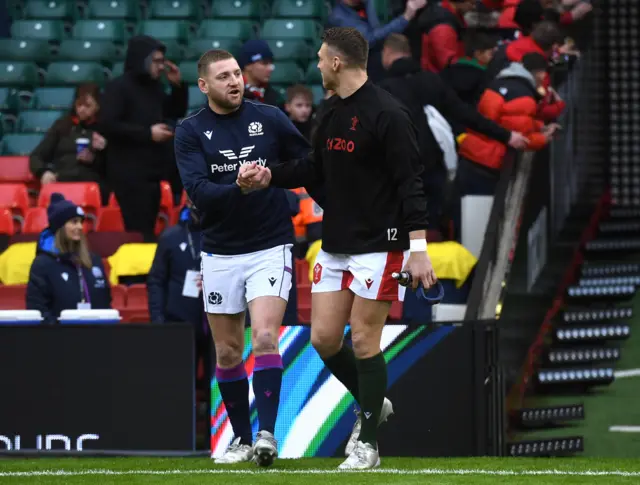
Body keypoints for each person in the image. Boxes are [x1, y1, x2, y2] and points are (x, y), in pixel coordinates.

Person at [237, 27, 437, 470]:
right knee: (325, 340)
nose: (317, 65)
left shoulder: (389, 113)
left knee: (365, 341)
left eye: (321, 58)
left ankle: (368, 444)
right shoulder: (329, 112)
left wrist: (418, 248)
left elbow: (411, 183)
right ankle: (374, 403)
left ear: (336, 63)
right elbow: (313, 168)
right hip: (338, 242)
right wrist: (270, 175)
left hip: (380, 245)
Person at [173, 49, 311, 466]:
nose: (234, 81)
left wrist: (276, 180)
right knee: (229, 351)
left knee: (266, 337)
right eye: (223, 77)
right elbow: (199, 193)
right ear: (204, 85)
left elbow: (307, 161)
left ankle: (267, 435)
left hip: (270, 245)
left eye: (236, 73)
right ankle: (241, 438)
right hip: (219, 251)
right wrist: (240, 186)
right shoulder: (190, 131)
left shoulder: (268, 117)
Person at [378, 33, 528, 229]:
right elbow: (466, 114)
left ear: (387, 52)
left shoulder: (381, 91)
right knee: (431, 225)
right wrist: (507, 135)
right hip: (434, 165)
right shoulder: (432, 81)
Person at [98, 35, 188, 240]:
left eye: (162, 61)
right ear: (142, 60)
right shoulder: (118, 87)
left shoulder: (154, 88)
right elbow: (108, 124)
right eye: (156, 61)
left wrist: (177, 86)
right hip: (128, 173)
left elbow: (174, 112)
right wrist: (148, 133)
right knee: (137, 232)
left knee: (148, 229)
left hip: (152, 172)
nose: (161, 66)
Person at [456, 53, 560, 198]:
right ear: (541, 74)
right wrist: (544, 138)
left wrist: (540, 127)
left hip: (471, 155)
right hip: (490, 164)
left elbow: (504, 121)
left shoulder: (498, 83)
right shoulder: (524, 97)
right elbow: (520, 139)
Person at [147, 200, 209, 385]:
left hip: (217, 326)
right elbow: (156, 280)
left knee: (218, 385)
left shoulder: (222, 235)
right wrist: (158, 319)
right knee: (179, 384)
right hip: (179, 326)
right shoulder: (170, 237)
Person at [26, 193, 111, 324]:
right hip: (59, 340)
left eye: (81, 222)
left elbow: (107, 303)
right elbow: (38, 311)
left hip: (96, 338)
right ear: (60, 227)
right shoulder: (43, 264)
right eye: (74, 222)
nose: (80, 227)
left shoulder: (94, 261)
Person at [29, 83, 110, 205]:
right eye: (79, 104)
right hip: (62, 182)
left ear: (97, 106)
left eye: (87, 106)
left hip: (92, 186)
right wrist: (43, 172)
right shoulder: (62, 125)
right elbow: (36, 156)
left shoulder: (105, 128)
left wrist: (101, 153)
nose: (81, 109)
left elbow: (117, 167)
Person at [327, 0, 426, 81]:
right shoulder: (338, 17)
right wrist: (405, 17)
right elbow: (368, 39)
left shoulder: (366, 5)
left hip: (381, 66)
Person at [441, 32, 499, 107]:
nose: (494, 57)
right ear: (478, 54)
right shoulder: (484, 77)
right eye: (491, 54)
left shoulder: (449, 68)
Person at [417, 0, 477, 73]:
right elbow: (448, 63)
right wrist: (475, 64)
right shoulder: (443, 28)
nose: (474, 7)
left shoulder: (451, 15)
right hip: (441, 78)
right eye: (472, 4)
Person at [239, 39, 282, 108]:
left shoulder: (274, 97)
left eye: (271, 63)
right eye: (264, 63)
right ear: (248, 65)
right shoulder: (234, 94)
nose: (270, 68)